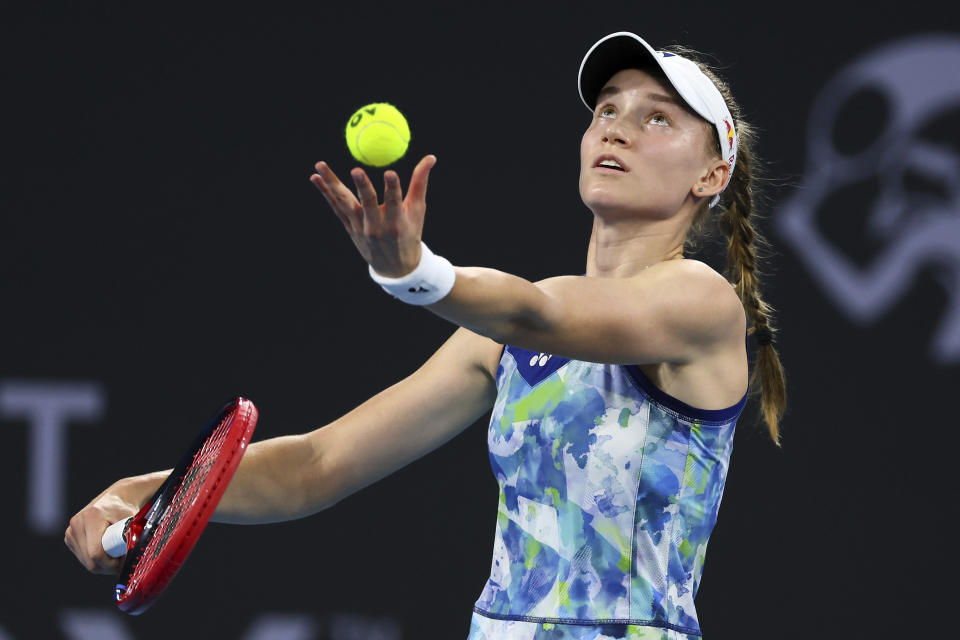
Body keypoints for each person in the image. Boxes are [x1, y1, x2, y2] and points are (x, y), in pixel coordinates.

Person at [65, 32, 786, 640]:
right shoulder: (500, 345)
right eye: (606, 110)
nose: (618, 127)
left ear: (712, 174)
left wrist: (417, 273)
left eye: (659, 119)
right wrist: (145, 494)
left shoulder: (701, 303)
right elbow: (319, 464)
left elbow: (541, 311)